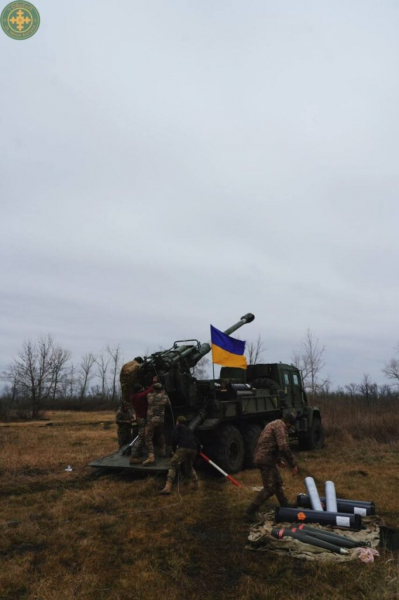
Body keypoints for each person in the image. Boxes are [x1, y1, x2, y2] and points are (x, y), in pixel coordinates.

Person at [245, 413, 298, 520]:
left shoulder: (275, 424)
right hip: (265, 460)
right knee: (270, 488)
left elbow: (270, 444)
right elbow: (283, 446)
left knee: (278, 482)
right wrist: (293, 464)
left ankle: (285, 506)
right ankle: (249, 511)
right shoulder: (280, 426)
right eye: (290, 426)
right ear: (288, 423)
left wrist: (278, 460)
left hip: (267, 458)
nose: (289, 428)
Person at [160, 416, 200, 495]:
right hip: (193, 449)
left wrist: (174, 451)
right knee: (189, 467)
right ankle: (197, 485)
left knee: (173, 464)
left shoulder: (177, 428)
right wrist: (197, 451)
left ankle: (167, 487)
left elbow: (174, 439)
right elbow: (197, 442)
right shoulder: (189, 430)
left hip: (183, 448)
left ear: (177, 422)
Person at [142, 382, 169, 465]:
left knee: (148, 437)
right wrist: (163, 393)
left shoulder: (149, 396)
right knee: (160, 435)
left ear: (154, 389)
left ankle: (151, 457)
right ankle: (163, 451)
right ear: (161, 389)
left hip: (151, 421)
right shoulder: (165, 397)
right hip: (161, 420)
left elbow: (147, 395)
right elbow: (167, 404)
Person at [129, 380, 155, 464]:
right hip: (142, 419)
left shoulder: (133, 397)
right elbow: (148, 391)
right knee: (141, 436)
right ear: (140, 390)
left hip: (139, 418)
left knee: (142, 435)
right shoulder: (139, 397)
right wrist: (154, 383)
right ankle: (134, 454)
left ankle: (137, 452)